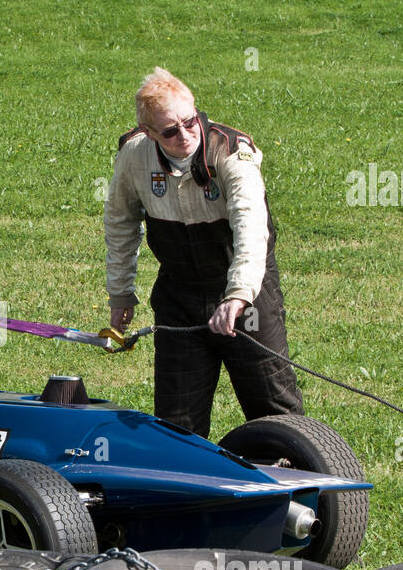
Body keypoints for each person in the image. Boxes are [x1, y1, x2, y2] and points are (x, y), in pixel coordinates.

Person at [104, 67, 304, 438]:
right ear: (149, 134)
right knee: (177, 424)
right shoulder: (134, 156)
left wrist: (239, 295)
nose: (185, 135)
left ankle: (299, 487)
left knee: (274, 408)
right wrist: (120, 291)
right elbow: (120, 221)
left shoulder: (231, 152)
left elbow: (250, 226)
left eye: (190, 121)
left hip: (246, 290)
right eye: (170, 131)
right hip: (179, 294)